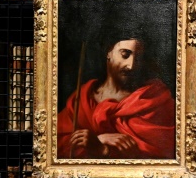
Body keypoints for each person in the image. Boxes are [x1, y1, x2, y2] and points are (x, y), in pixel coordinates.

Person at [56, 28, 175, 160]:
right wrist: (99, 140)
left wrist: (103, 149)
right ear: (109, 52)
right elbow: (57, 146)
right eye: (125, 55)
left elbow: (164, 155)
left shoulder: (152, 99)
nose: (131, 65)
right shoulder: (82, 97)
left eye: (138, 59)